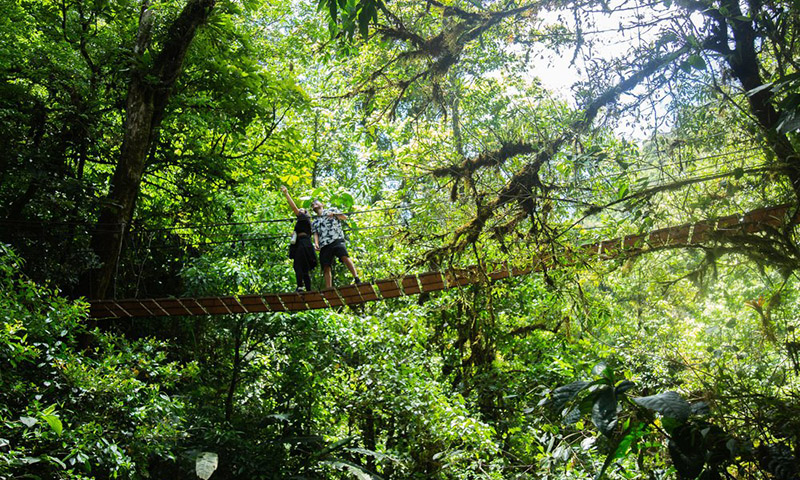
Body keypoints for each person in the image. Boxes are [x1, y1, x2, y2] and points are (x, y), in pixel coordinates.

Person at [310, 198, 361, 288]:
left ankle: (356, 277)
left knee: (344, 256)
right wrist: (316, 243)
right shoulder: (315, 222)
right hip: (324, 244)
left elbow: (344, 217)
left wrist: (334, 214)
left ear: (322, 204)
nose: (314, 205)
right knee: (326, 266)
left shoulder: (331, 210)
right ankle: (328, 288)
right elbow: (315, 233)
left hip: (336, 238)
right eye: (312, 205)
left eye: (316, 203)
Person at [281, 186, 317, 292]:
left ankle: (301, 287)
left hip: (303, 244)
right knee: (303, 266)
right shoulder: (304, 223)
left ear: (305, 214)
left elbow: (293, 208)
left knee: (299, 265)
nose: (299, 211)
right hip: (303, 244)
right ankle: (306, 288)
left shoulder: (304, 218)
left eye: (302, 210)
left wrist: (286, 193)